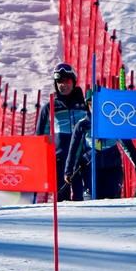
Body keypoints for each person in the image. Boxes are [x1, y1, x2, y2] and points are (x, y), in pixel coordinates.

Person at [35, 63, 89, 201]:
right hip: (60, 160)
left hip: (82, 159)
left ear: (73, 81)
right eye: (59, 82)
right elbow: (41, 137)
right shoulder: (50, 107)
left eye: (67, 81)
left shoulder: (84, 104)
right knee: (61, 199)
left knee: (83, 199)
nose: (63, 85)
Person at [66, 114, 136, 200]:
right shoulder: (82, 124)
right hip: (91, 168)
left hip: (112, 167)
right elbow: (73, 149)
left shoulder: (115, 121)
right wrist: (68, 170)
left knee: (112, 197)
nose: (94, 107)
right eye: (91, 106)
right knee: (93, 199)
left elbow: (127, 145)